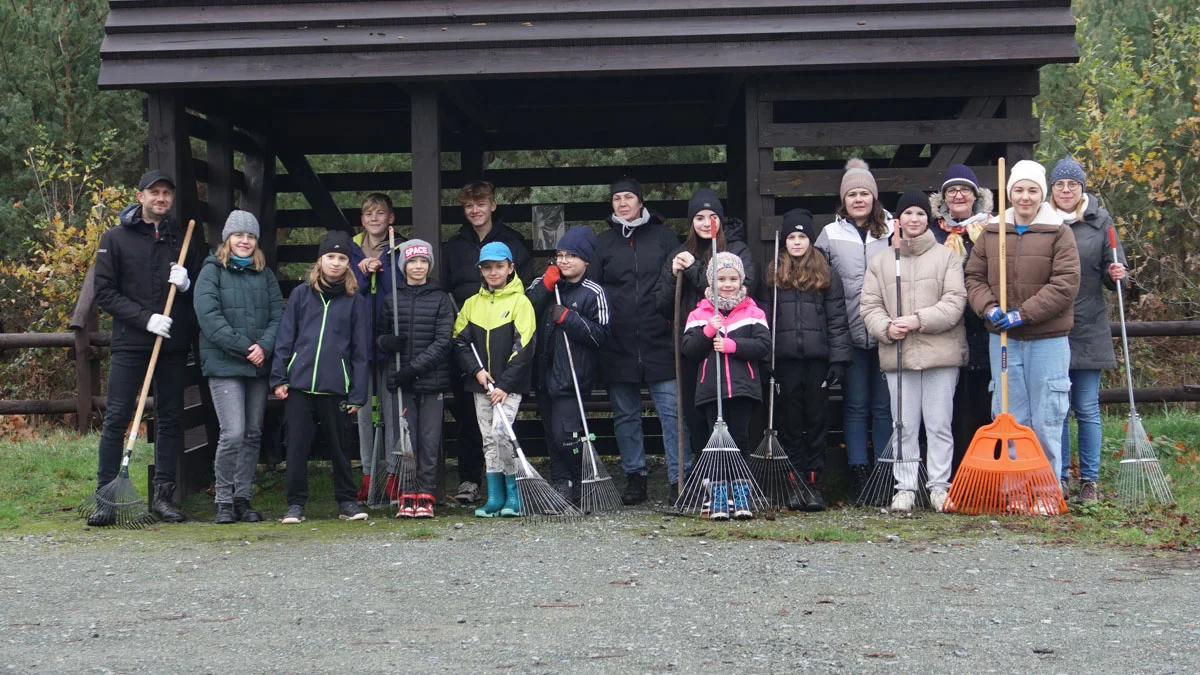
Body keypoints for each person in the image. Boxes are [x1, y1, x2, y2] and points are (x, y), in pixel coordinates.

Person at [89, 169, 201, 526]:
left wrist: (187, 285)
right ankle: (105, 498)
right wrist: (145, 319)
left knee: (170, 418)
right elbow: (104, 292)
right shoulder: (116, 238)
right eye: (154, 192)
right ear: (140, 196)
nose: (161, 198)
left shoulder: (183, 238)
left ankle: (164, 496)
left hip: (171, 342)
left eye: (167, 193)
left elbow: (204, 289)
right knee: (118, 416)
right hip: (131, 342)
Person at [965, 160, 1081, 499]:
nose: (1025, 197)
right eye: (1018, 190)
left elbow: (1065, 284)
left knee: (1046, 417)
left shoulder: (1058, 231)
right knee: (1010, 416)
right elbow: (973, 277)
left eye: (1032, 190)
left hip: (1047, 339)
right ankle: (1016, 490)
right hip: (1003, 339)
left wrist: (1023, 314)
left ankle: (1047, 491)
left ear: (1041, 194)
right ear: (1010, 193)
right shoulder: (992, 232)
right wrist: (989, 308)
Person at [860, 190, 968, 512]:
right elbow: (869, 306)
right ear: (898, 220)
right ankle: (905, 487)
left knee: (938, 425)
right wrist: (886, 327)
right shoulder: (882, 262)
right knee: (903, 426)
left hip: (940, 356)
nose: (914, 219)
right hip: (899, 356)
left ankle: (938, 487)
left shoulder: (946, 256)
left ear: (928, 219)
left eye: (920, 214)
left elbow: (955, 303)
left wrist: (918, 320)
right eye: (908, 213)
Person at [590, 177, 687, 505]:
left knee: (672, 413)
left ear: (641, 201)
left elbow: (678, 283)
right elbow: (594, 291)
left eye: (628, 197)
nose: (622, 203)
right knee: (626, 415)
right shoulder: (603, 244)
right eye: (616, 198)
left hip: (659, 339)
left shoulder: (663, 237)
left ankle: (679, 479)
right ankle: (635, 477)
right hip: (618, 343)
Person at [656, 189, 755, 495]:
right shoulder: (678, 252)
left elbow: (738, 291)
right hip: (692, 345)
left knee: (733, 418)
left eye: (712, 217)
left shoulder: (738, 251)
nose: (705, 222)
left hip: (730, 346)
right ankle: (707, 482)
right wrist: (675, 274)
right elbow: (661, 304)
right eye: (698, 217)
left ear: (721, 221)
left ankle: (736, 482)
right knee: (696, 416)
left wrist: (694, 270)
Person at [441, 181, 533, 505]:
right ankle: (472, 481)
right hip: (471, 340)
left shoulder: (514, 244)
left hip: (505, 347)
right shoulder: (452, 247)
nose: (475, 210)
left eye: (481, 204)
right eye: (469, 206)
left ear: (493, 205)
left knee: (503, 427)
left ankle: (513, 488)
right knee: (472, 421)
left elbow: (529, 293)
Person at [271, 231, 371, 524]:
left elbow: (360, 351)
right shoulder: (302, 295)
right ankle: (295, 504)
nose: (336, 263)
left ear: (349, 264)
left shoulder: (355, 301)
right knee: (297, 445)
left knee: (340, 447)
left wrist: (358, 392)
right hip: (299, 385)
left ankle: (347, 502)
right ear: (320, 260)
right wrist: (279, 378)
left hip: (337, 388)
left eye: (342, 258)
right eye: (331, 257)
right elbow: (285, 338)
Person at [194, 210, 283, 524]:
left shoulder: (265, 275)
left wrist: (266, 346)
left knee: (252, 434)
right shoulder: (211, 272)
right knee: (233, 432)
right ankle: (223, 500)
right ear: (227, 239)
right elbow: (209, 318)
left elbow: (278, 315)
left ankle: (243, 498)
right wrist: (247, 349)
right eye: (239, 235)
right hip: (225, 365)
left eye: (250, 236)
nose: (244, 241)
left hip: (257, 365)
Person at [761, 208, 852, 511]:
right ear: (784, 241)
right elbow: (765, 319)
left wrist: (838, 359)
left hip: (817, 361)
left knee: (816, 423)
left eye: (802, 237)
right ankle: (793, 483)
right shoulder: (773, 273)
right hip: (785, 361)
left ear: (811, 240)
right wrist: (766, 357)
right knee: (790, 424)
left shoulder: (827, 273)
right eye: (791, 237)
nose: (797, 242)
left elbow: (837, 318)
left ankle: (813, 483)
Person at [814, 159, 894, 496]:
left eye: (864, 193)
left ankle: (885, 472)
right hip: (848, 334)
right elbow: (816, 279)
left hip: (887, 332)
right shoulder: (830, 234)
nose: (858, 199)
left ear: (874, 198)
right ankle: (859, 472)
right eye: (852, 194)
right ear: (843, 200)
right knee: (856, 404)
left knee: (884, 407)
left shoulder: (893, 230)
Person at [1049, 157, 1127, 501]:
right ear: (1051, 190)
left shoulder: (1100, 221)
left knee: (1086, 406)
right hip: (1052, 326)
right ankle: (1061, 476)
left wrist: (1118, 273)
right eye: (1060, 185)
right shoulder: (1043, 221)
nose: (1066, 190)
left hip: (1089, 324)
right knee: (1058, 407)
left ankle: (1089, 482)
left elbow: (1116, 270)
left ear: (1082, 188)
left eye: (1073, 185)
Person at [681, 252, 770, 520]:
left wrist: (734, 346)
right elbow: (688, 350)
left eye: (733, 278)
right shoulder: (699, 314)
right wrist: (708, 331)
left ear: (741, 280)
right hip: (711, 391)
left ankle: (740, 494)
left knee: (740, 440)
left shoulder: (753, 312)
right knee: (716, 444)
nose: (727, 284)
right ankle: (718, 495)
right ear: (711, 281)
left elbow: (764, 346)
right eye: (721, 279)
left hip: (743, 390)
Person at [526, 226, 611, 506]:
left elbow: (601, 336)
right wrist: (545, 287)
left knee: (567, 436)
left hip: (573, 376)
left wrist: (569, 319)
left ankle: (584, 479)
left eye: (571, 255)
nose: (563, 261)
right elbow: (523, 312)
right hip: (543, 374)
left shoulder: (592, 292)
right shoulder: (544, 283)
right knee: (552, 434)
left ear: (585, 260)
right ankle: (563, 486)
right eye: (560, 255)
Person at [452, 242, 537, 518]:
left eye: (499, 267)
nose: (493, 272)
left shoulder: (520, 302)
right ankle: (495, 497)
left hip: (508, 388)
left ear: (510, 268)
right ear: (480, 270)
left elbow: (524, 348)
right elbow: (460, 342)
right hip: (481, 386)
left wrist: (504, 385)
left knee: (503, 434)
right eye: (487, 267)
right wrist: (477, 371)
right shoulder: (470, 304)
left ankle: (514, 495)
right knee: (488, 438)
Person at [377, 238, 455, 518]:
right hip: (402, 383)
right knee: (406, 440)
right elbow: (379, 334)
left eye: (423, 261)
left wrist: (413, 369)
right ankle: (407, 494)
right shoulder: (392, 299)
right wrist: (387, 343)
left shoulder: (440, 298)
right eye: (412, 261)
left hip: (430, 381)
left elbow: (443, 342)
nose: (418, 266)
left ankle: (426, 495)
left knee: (429, 440)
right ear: (404, 266)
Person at [927, 165, 994, 472]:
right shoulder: (933, 233)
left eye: (964, 190)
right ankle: (953, 473)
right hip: (944, 328)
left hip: (983, 325)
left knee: (982, 401)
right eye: (951, 190)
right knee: (949, 406)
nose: (957, 195)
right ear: (943, 198)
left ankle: (984, 471)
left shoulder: (991, 231)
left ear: (975, 196)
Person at [350, 193, 395, 504]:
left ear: (391, 218)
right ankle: (368, 474)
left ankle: (393, 474)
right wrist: (364, 272)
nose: (375, 218)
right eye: (369, 214)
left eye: (381, 213)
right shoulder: (349, 251)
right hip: (359, 344)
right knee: (364, 412)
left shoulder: (400, 248)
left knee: (392, 411)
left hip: (390, 341)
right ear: (362, 220)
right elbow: (346, 288)